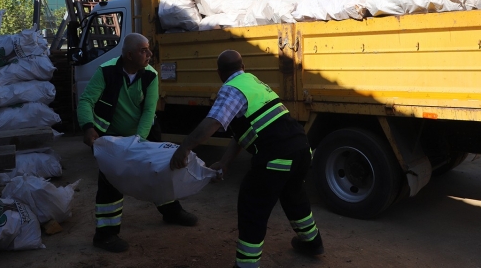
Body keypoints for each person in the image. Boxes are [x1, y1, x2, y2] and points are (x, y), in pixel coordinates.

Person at [170, 50, 323, 267]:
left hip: (277, 155)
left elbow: (213, 122)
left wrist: (184, 147)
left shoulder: (230, 90)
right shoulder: (252, 81)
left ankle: (246, 264)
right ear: (243, 66)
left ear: (219, 73)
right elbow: (243, 134)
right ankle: (312, 242)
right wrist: (224, 162)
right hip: (301, 150)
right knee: (293, 195)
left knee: (253, 204)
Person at [78, 33, 198, 253]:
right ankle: (105, 235)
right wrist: (88, 127)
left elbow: (149, 111)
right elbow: (86, 100)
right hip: (112, 138)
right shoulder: (105, 72)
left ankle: (172, 212)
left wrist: (138, 142)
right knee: (110, 183)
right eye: (144, 50)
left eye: (149, 49)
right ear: (130, 55)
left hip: (143, 135)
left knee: (160, 174)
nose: (150, 54)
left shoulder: (150, 75)